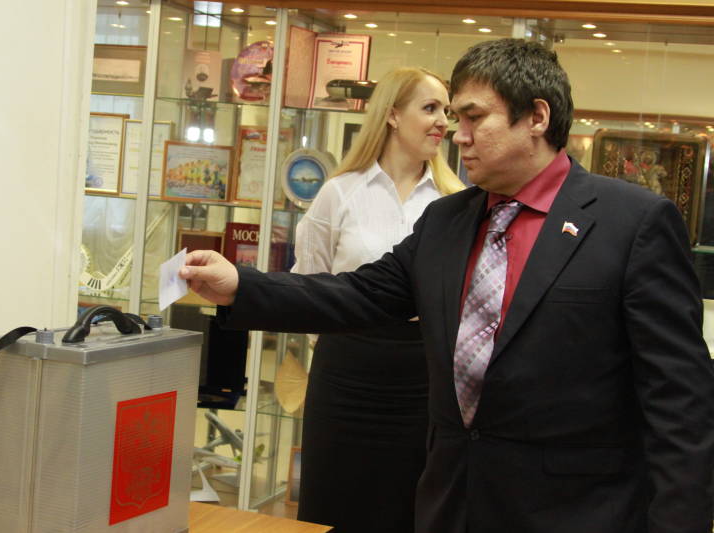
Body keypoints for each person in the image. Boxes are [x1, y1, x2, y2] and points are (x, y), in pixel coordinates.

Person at [180, 39, 714, 533]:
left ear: (536, 117)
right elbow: (359, 294)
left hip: (575, 512)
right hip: (451, 502)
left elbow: (680, 402)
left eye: (474, 118)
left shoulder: (632, 222)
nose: (457, 136)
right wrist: (240, 285)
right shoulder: (446, 220)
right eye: (456, 118)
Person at [290, 67, 464, 533]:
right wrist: (344, 342)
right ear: (392, 114)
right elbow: (310, 287)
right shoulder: (339, 193)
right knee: (333, 503)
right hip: (344, 374)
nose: (443, 122)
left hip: (423, 379)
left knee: (412, 508)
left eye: (447, 111)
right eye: (430, 108)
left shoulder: (457, 201)